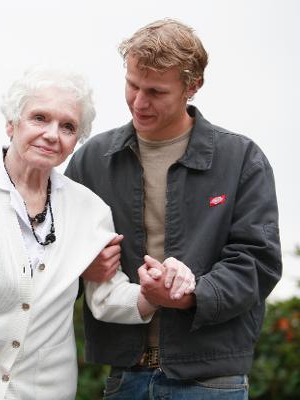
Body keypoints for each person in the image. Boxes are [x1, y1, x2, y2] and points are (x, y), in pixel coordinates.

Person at [0, 67, 195, 400]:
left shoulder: (89, 210)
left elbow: (107, 298)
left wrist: (153, 293)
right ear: (12, 124)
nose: (52, 134)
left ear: (75, 142)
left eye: (68, 126)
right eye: (39, 118)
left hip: (44, 389)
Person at [65, 18, 282, 399]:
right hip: (124, 377)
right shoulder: (92, 161)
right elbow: (52, 253)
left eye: (155, 91)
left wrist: (193, 294)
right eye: (132, 85)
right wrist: (81, 264)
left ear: (192, 86)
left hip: (212, 382)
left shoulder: (241, 159)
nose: (139, 101)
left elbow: (258, 261)